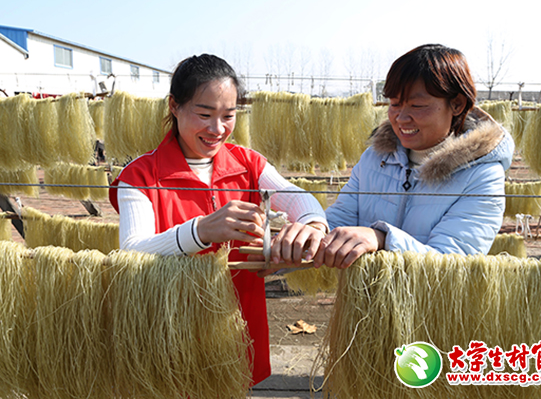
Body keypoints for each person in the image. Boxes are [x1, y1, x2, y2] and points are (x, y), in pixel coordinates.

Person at [109, 54, 328, 386]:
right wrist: (200, 231)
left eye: (229, 115)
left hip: (234, 331)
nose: (217, 129)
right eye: (204, 114)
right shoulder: (140, 176)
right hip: (169, 333)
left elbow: (300, 198)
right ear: (174, 106)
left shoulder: (248, 164)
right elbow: (132, 252)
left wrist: (311, 226)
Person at [314, 44, 514, 269]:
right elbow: (340, 220)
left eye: (417, 106)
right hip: (365, 303)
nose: (401, 118)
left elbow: (452, 264)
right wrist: (307, 232)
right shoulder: (374, 158)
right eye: (394, 104)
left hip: (434, 306)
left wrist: (382, 239)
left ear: (457, 104)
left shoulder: (482, 175)